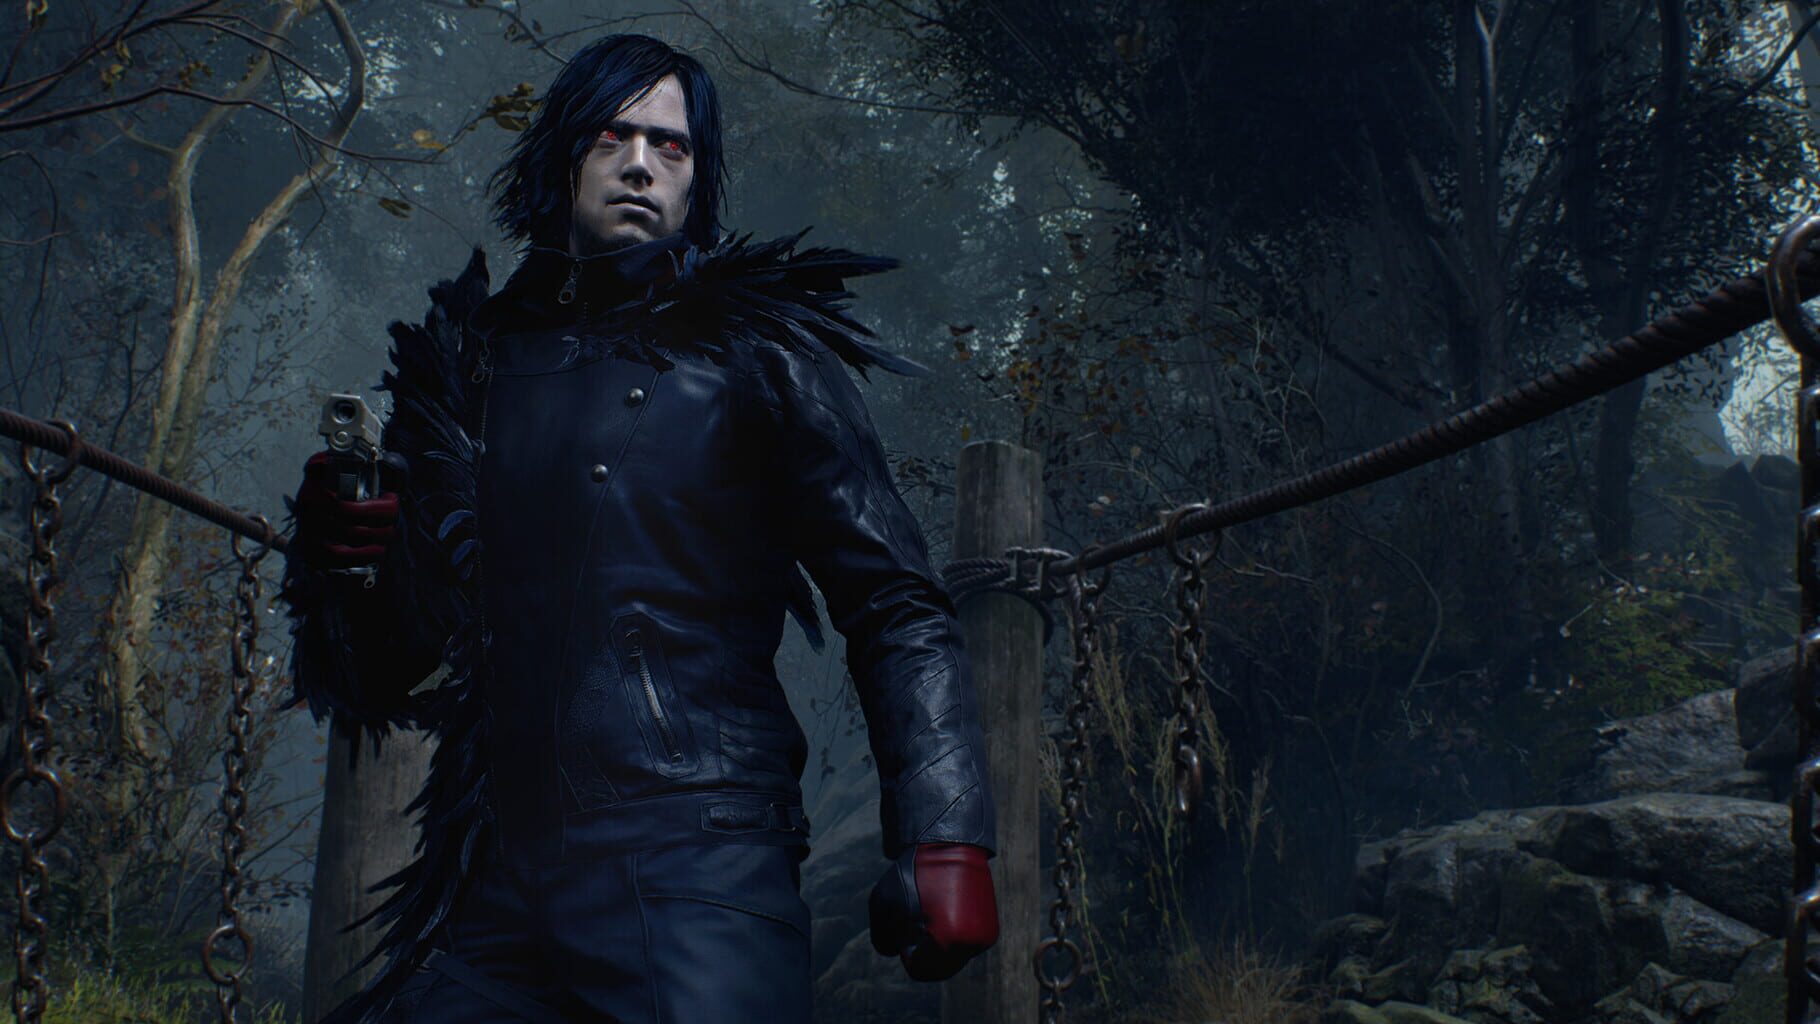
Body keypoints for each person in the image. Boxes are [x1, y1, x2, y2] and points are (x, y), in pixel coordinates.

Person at [280, 32, 999, 1024]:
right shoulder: (472, 371)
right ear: (562, 157)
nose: (638, 164)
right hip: (496, 880)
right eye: (610, 136)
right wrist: (343, 558)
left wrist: (944, 830)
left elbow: (894, 600)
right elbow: (385, 672)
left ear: (697, 178)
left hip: (697, 864)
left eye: (670, 144)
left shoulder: (758, 352)